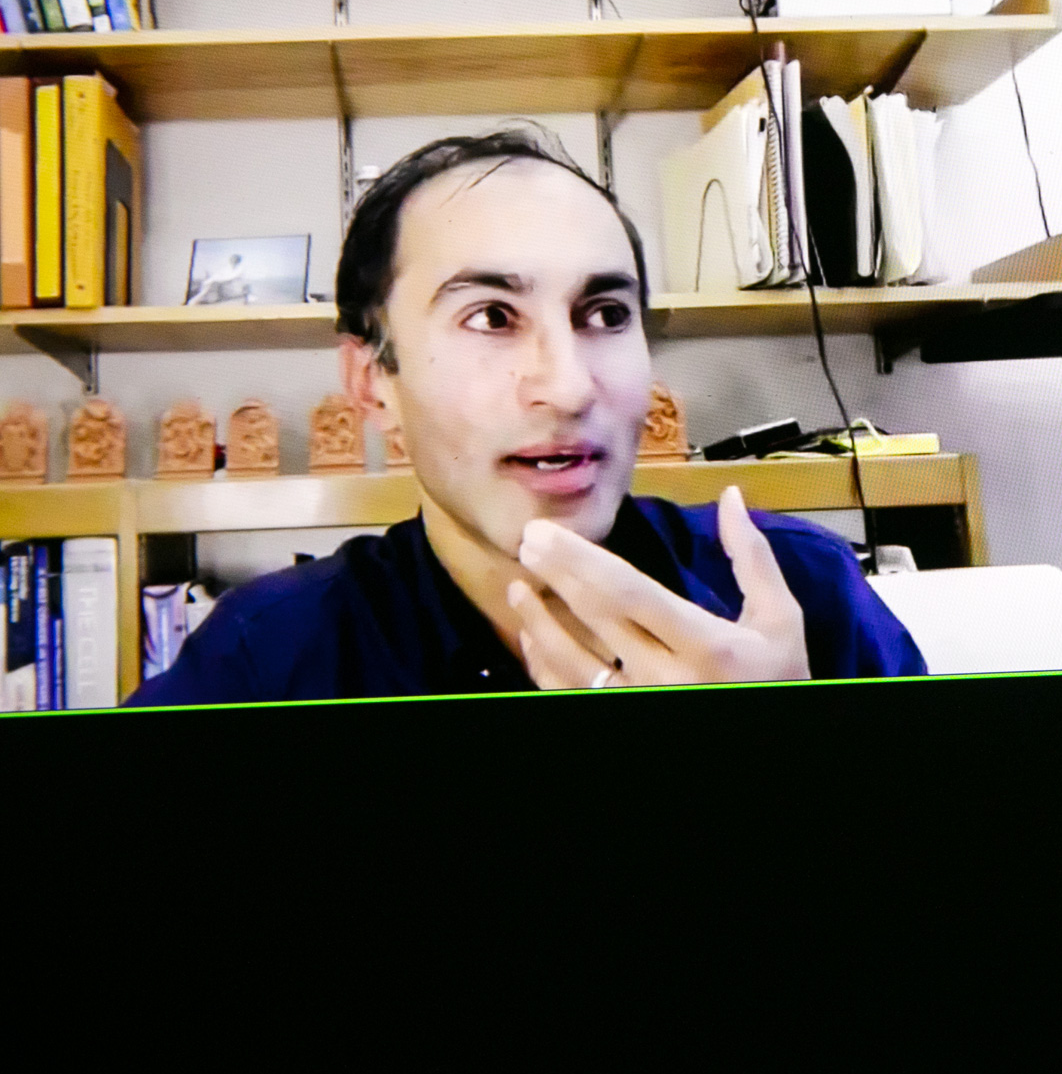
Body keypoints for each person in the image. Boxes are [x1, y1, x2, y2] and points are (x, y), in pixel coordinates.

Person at [129, 129, 924, 706]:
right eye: (491, 317)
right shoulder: (270, 658)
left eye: (606, 313)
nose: (570, 387)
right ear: (373, 382)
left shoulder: (800, 592)